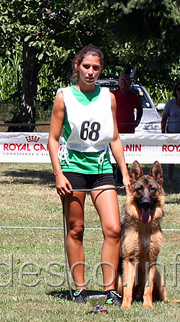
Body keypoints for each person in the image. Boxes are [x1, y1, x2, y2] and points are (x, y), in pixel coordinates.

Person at [48, 45, 131, 306]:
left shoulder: (109, 97)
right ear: (77, 66)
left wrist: (125, 174)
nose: (91, 72)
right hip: (72, 169)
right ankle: (80, 288)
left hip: (102, 169)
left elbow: (115, 138)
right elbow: (52, 139)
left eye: (96, 67)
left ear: (101, 69)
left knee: (114, 229)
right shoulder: (64, 97)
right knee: (76, 228)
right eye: (86, 66)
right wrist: (58, 174)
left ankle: (109, 290)